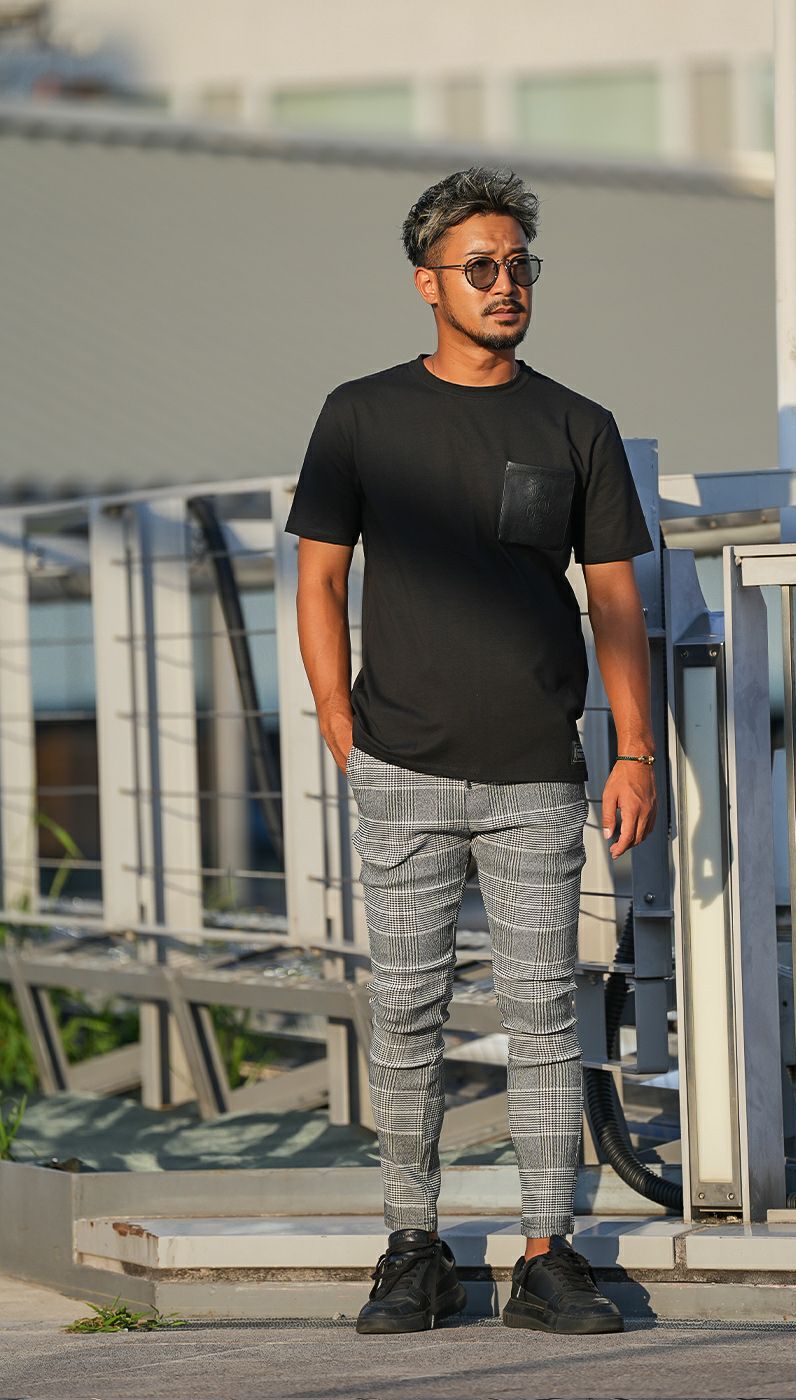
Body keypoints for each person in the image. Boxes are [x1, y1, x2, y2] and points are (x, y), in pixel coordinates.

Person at [287, 167, 657, 1335]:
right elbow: (317, 577)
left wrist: (635, 750)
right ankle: (415, 1248)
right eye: (480, 267)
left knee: (544, 1015)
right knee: (404, 1015)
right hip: (400, 767)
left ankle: (547, 1254)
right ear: (427, 283)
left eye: (518, 266)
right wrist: (338, 717)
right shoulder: (360, 414)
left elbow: (615, 599)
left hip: (537, 774)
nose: (506, 285)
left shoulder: (577, 424)